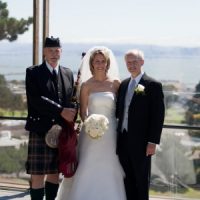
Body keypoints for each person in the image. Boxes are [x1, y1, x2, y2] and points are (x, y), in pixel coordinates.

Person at [56, 46, 126, 200]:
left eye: (103, 61)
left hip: (111, 133)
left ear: (107, 63)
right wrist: (91, 124)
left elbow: (121, 109)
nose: (100, 64)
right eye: (97, 61)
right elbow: (83, 112)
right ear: (92, 64)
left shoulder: (116, 84)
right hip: (90, 133)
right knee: (88, 165)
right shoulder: (86, 85)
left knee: (110, 165)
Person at [25, 36, 77, 200]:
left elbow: (72, 98)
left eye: (57, 50)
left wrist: (73, 112)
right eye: (50, 50)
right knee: (38, 175)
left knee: (55, 173)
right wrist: (61, 110)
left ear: (61, 52)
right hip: (40, 129)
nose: (54, 54)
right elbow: (35, 99)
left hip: (61, 131)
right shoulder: (33, 72)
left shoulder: (68, 73)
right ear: (44, 53)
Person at [116, 49, 165, 200]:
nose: (131, 65)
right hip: (123, 140)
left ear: (142, 62)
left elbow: (158, 116)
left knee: (141, 180)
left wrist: (152, 141)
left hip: (142, 143)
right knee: (127, 180)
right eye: (128, 62)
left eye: (134, 62)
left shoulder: (153, 85)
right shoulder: (123, 84)